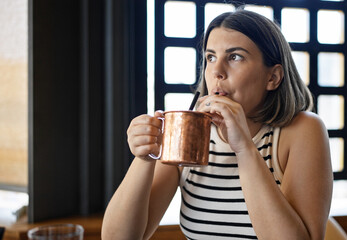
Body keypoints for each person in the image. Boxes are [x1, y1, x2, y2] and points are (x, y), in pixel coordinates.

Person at [102, 9, 333, 240]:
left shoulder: (302, 130)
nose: (216, 71)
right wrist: (145, 158)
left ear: (272, 77)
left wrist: (244, 149)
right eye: (210, 57)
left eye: (235, 57)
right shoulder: (189, 134)